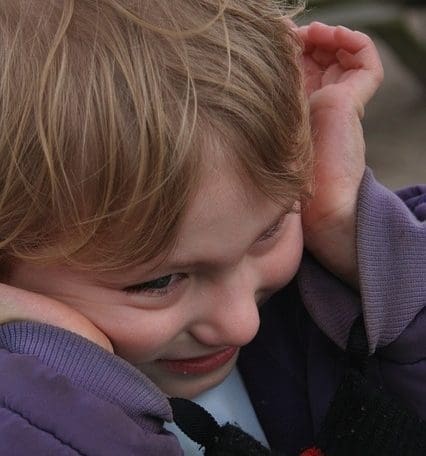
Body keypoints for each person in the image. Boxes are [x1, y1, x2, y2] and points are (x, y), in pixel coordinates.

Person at [0, 0, 425, 455]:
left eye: (269, 230)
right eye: (159, 281)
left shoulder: (326, 281)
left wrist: (364, 240)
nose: (241, 323)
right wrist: (62, 390)